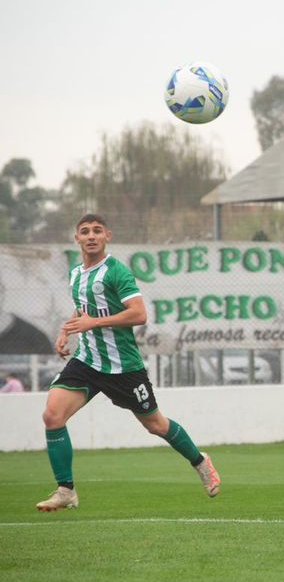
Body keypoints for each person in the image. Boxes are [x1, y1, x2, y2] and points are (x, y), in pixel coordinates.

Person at [35, 214, 220, 512]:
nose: (91, 236)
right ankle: (66, 490)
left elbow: (139, 314)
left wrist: (94, 322)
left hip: (123, 367)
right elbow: (82, 310)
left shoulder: (117, 272)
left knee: (156, 425)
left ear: (108, 235)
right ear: (77, 239)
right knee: (52, 416)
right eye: (85, 231)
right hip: (87, 361)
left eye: (97, 231)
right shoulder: (76, 274)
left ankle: (200, 461)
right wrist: (65, 332)